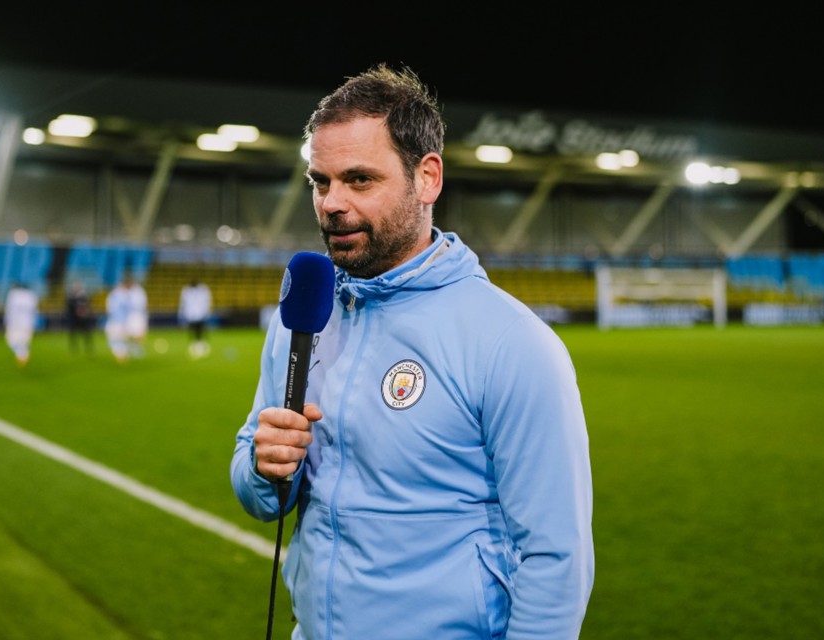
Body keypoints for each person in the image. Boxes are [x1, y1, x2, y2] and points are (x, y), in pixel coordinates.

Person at [230, 64, 594, 639]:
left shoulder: (509, 342)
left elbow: (555, 559)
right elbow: (258, 483)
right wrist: (262, 465)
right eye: (320, 182)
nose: (331, 203)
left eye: (359, 180)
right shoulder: (301, 318)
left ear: (427, 179)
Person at [3, 281, 39, 366]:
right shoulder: (31, 295)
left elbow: (9, 309)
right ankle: (23, 355)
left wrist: (6, 320)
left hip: (15, 322)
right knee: (23, 341)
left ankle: (22, 355)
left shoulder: (13, 295)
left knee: (11, 341)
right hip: (27, 322)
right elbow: (34, 310)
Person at [178, 277, 212, 359]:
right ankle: (194, 346)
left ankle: (201, 346)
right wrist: (182, 313)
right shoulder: (186, 290)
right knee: (192, 332)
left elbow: (207, 300)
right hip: (191, 314)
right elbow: (183, 302)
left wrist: (207, 311)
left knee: (200, 331)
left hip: (200, 314)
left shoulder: (203, 289)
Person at [104, 277, 132, 364]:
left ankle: (121, 355)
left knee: (114, 338)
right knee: (119, 338)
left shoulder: (115, 295)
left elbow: (110, 309)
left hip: (116, 321)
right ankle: (122, 354)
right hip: (122, 321)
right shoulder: (125, 295)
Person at [64, 280, 94, 355]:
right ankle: (74, 348)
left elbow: (88, 307)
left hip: (83, 318)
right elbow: (68, 309)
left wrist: (84, 313)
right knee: (73, 333)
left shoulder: (84, 297)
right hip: (74, 318)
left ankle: (88, 348)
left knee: (87, 333)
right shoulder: (71, 298)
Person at [124, 274, 149, 358]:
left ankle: (136, 347)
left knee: (140, 333)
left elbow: (142, 304)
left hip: (138, 315)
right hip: (130, 315)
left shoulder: (139, 291)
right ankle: (132, 347)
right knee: (130, 332)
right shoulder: (126, 291)